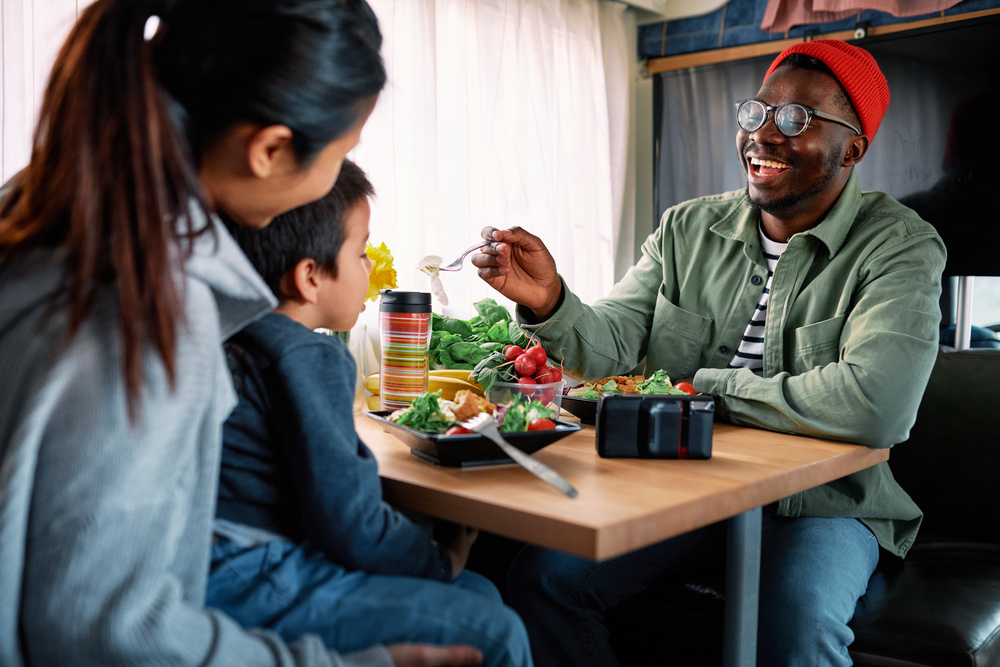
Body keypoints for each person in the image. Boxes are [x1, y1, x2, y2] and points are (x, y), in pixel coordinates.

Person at [0, 1, 481, 665]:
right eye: (343, 151)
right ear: (271, 150)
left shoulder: (40, 205)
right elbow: (108, 632)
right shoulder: (149, 311)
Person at [472, 40, 947, 666]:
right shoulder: (684, 229)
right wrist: (551, 301)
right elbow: (615, 344)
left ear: (853, 148)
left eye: (797, 121)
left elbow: (876, 405)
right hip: (683, 487)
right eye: (757, 113)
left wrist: (712, 387)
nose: (765, 136)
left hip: (823, 506)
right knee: (546, 578)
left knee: (795, 619)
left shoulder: (899, 246)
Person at [208, 160, 533, 666]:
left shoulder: (238, 338)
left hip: (225, 561)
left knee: (483, 594)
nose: (368, 270)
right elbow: (351, 521)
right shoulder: (304, 356)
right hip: (250, 573)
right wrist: (442, 559)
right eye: (360, 253)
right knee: (499, 630)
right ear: (309, 277)